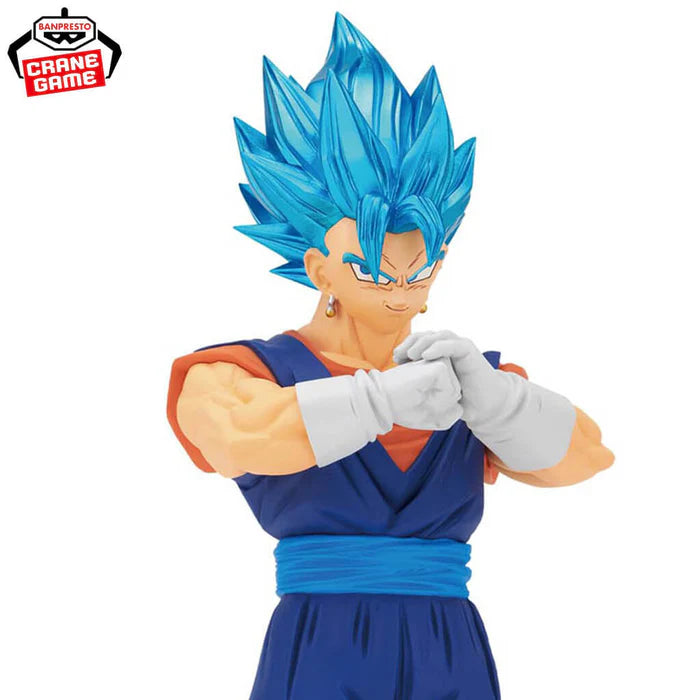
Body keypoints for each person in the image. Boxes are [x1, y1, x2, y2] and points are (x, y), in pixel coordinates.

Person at [167, 13, 614, 699]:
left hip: (448, 648)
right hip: (321, 645)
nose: (402, 290)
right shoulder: (241, 371)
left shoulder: (470, 380)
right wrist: (378, 400)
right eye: (373, 271)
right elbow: (233, 435)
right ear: (318, 267)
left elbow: (588, 455)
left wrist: (498, 402)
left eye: (421, 269)